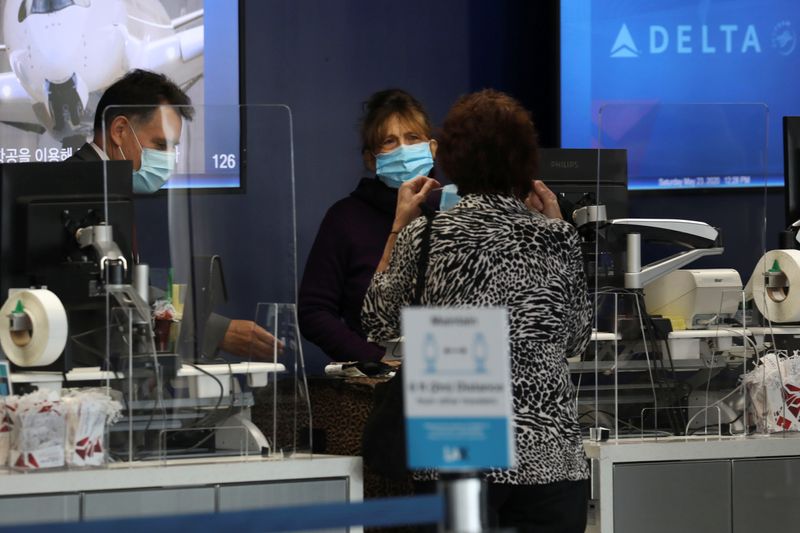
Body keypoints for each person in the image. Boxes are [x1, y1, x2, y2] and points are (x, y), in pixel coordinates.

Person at [362, 90, 592, 532]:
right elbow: (576, 340)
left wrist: (398, 227)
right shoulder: (558, 239)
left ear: (452, 158)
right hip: (548, 452)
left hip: (458, 445)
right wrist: (557, 225)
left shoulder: (427, 236)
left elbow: (376, 320)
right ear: (526, 162)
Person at [69, 69, 279, 361]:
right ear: (119, 131)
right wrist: (213, 328)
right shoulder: (75, 188)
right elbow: (111, 290)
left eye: (173, 148)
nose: (168, 159)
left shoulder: (108, 188)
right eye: (160, 144)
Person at [298, 89, 441, 363]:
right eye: (390, 141)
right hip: (374, 384)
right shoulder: (345, 218)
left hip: (447, 378)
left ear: (431, 148)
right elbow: (314, 311)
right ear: (371, 158)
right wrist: (375, 360)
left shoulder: (451, 214)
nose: (404, 149)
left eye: (413, 138)